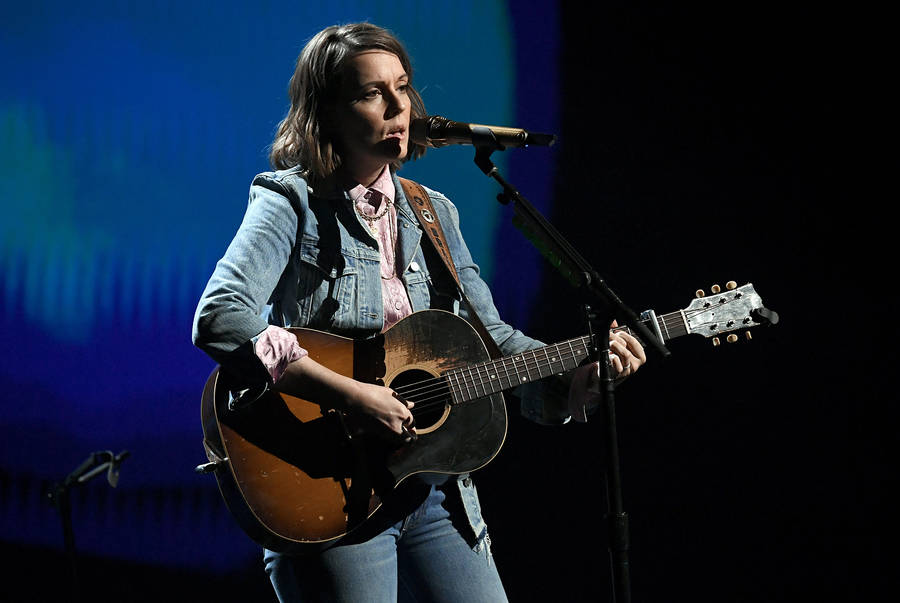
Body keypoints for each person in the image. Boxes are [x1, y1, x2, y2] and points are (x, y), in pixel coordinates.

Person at [192, 22, 645, 602]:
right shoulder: (291, 201)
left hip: (435, 489)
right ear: (328, 112)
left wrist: (577, 376)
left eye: (402, 87)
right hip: (328, 483)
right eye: (372, 93)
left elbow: (492, 341)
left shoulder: (434, 212)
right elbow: (221, 315)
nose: (398, 106)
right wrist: (353, 395)